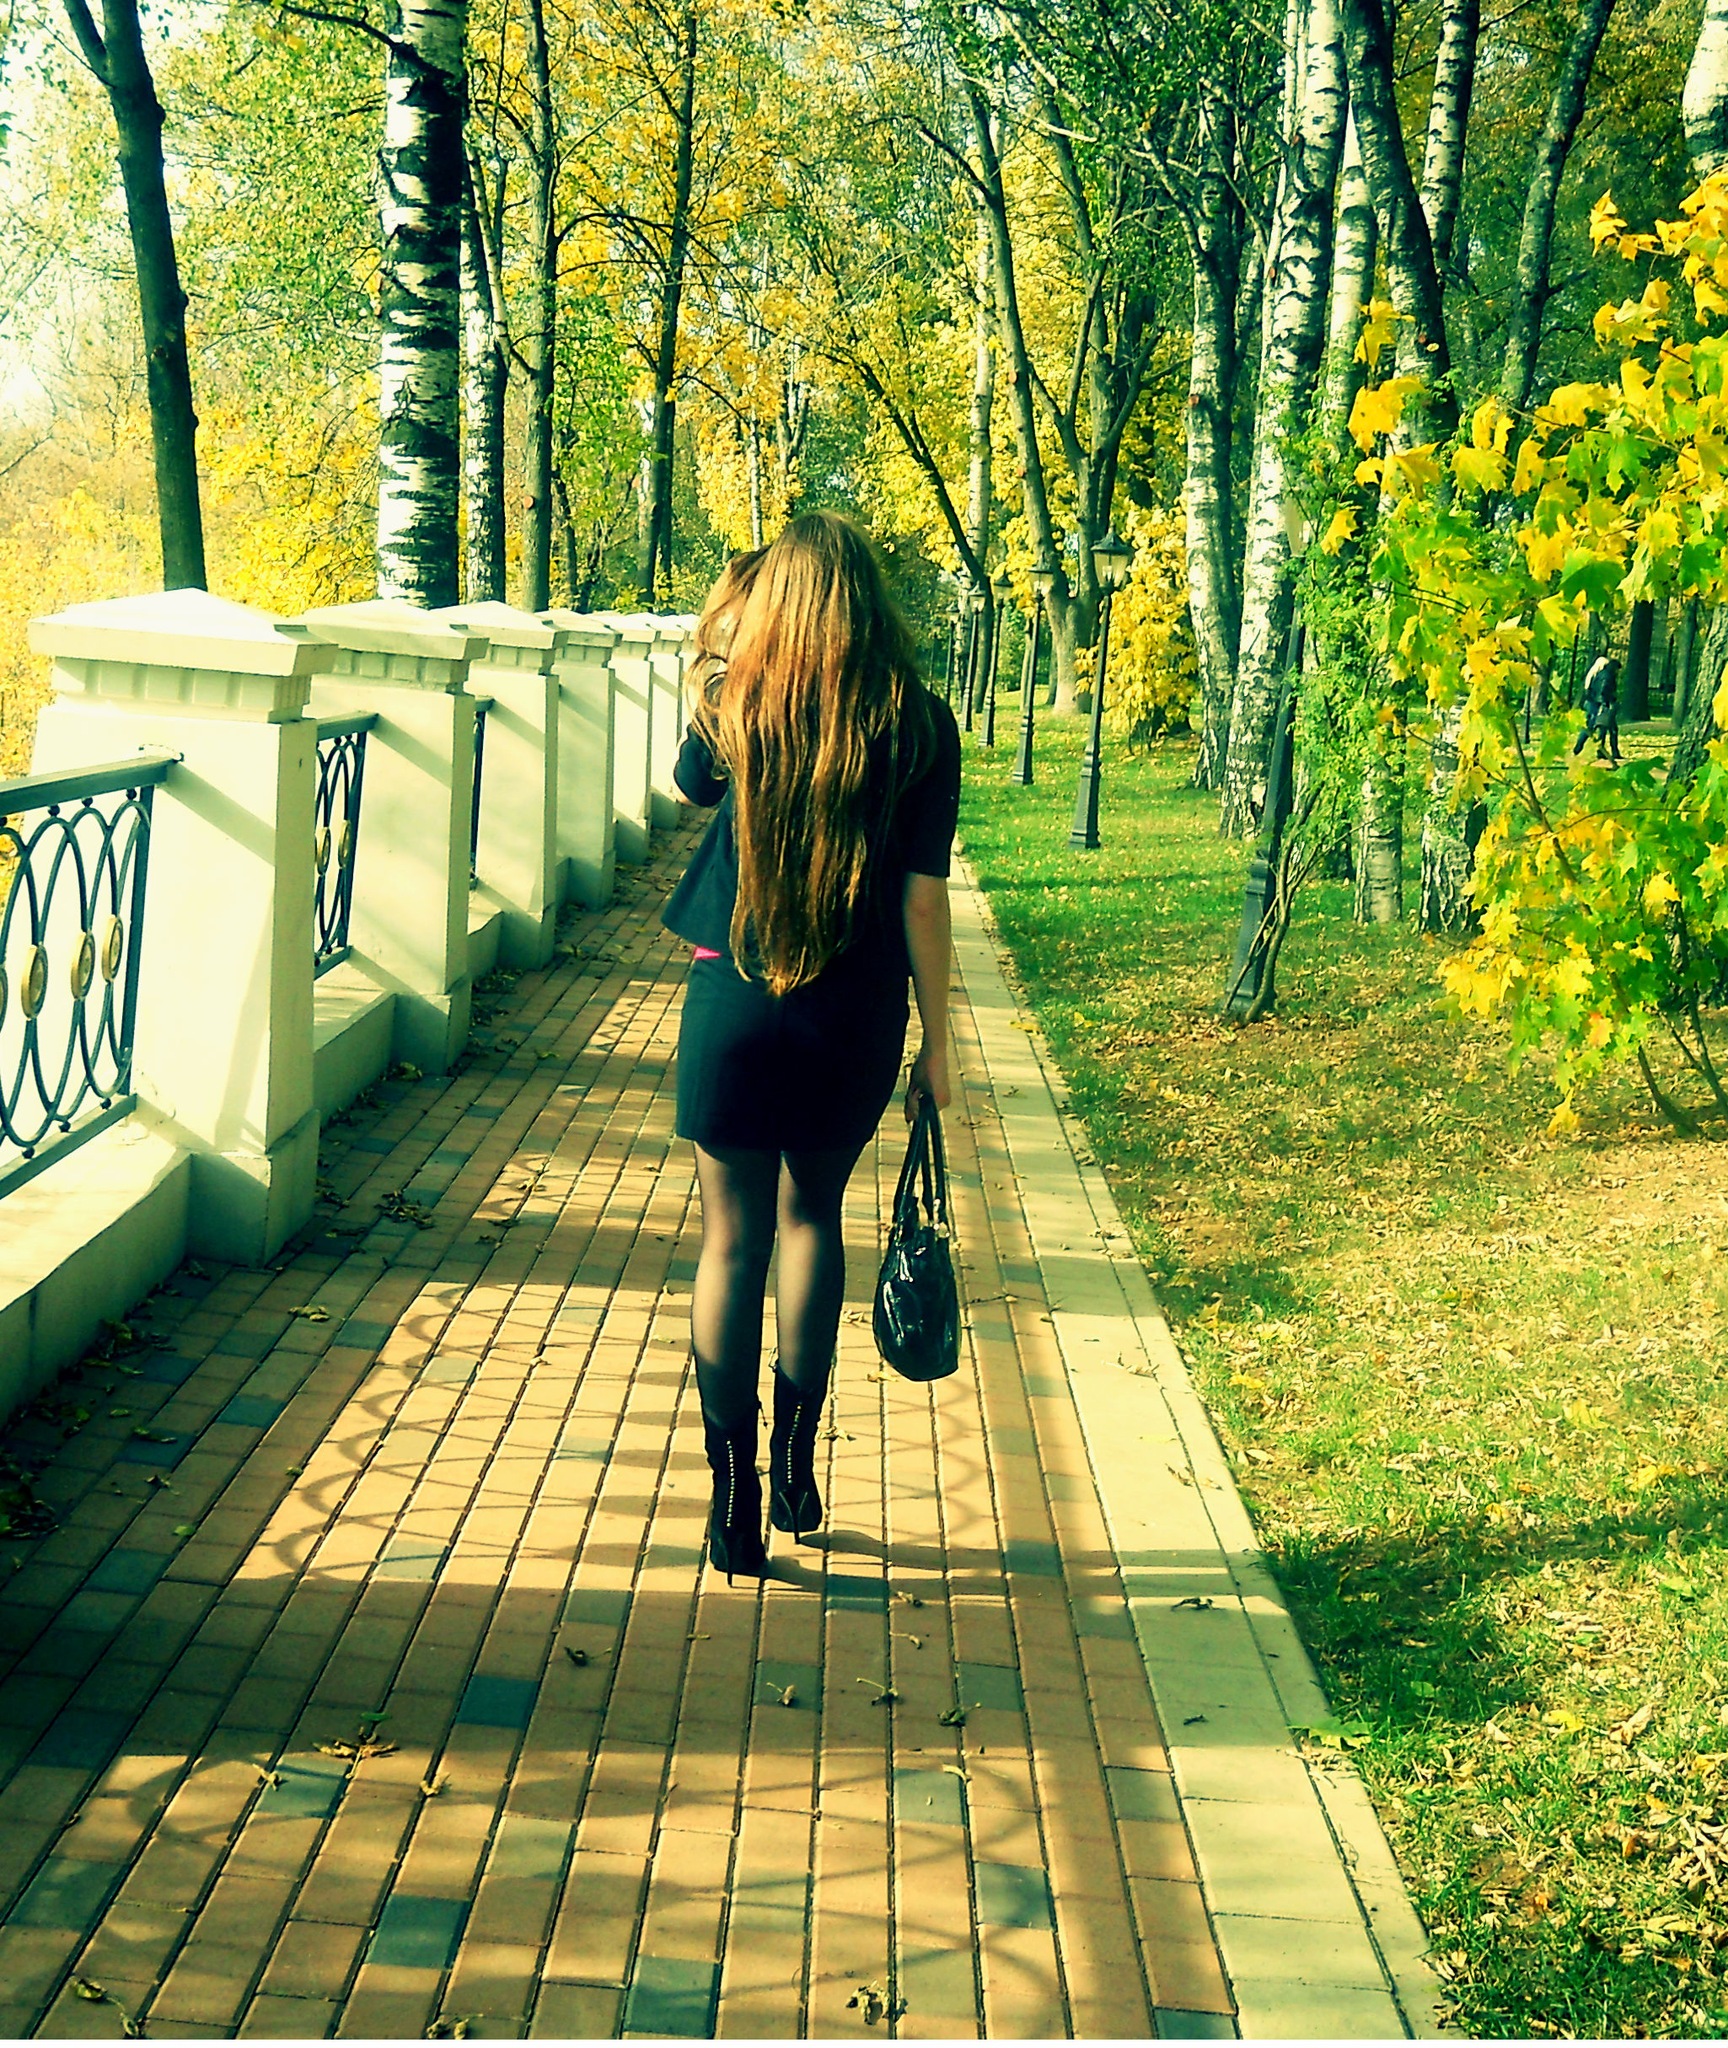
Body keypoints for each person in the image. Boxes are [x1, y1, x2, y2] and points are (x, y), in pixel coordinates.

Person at [662, 513, 962, 1580]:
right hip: (856, 1009)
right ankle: (795, 1462)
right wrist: (939, 1042)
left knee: (729, 1241)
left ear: (777, 605)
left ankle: (732, 1497)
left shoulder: (737, 703)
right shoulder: (919, 723)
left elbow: (687, 788)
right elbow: (922, 900)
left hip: (733, 1000)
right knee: (811, 1217)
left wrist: (718, 653)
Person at [1574, 652, 1622, 763]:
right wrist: (1605, 703)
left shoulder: (1600, 674)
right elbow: (1603, 691)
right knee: (1596, 727)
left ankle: (1604, 750)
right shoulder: (1607, 677)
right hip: (1600, 704)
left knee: (1604, 728)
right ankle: (1597, 749)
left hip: (1596, 703)